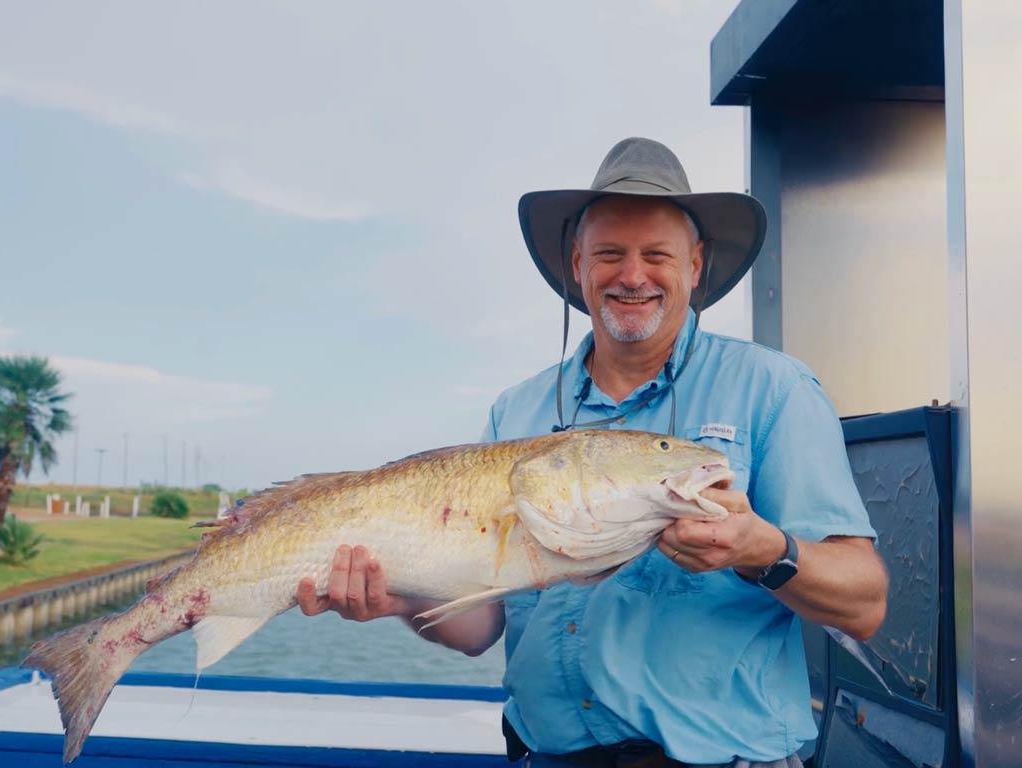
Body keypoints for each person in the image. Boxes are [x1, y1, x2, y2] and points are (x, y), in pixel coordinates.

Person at [297, 137, 888, 768]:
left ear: (695, 266)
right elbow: (479, 629)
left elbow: (865, 604)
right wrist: (402, 600)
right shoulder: (515, 412)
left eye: (656, 254)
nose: (632, 275)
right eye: (609, 253)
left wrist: (762, 550)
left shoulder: (773, 390)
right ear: (576, 265)